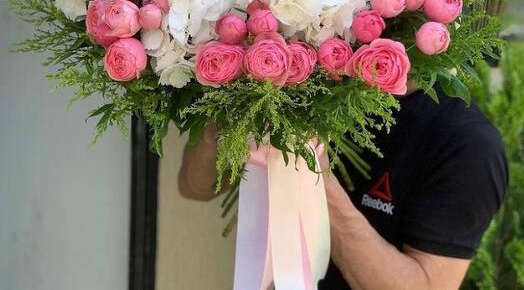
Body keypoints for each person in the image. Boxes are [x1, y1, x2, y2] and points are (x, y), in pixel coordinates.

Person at [178, 84, 508, 289]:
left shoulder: (466, 141)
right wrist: (221, 120)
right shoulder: (311, 81)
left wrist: (311, 171)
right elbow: (195, 186)